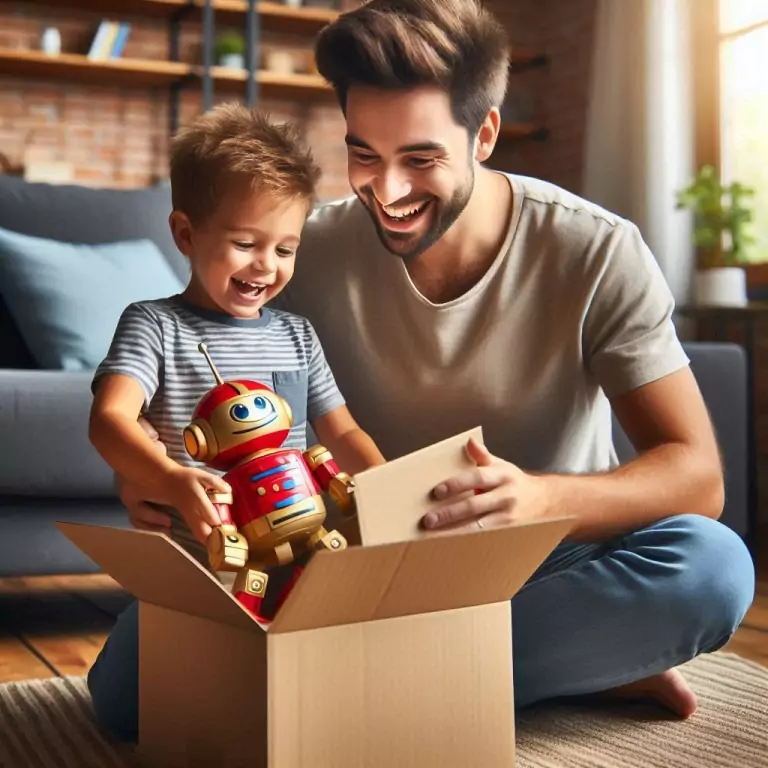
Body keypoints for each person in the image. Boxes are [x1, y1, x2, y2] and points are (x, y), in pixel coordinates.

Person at [96, 0, 754, 742]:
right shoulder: (294, 250)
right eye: (364, 154)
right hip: (343, 563)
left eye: (421, 159)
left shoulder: (595, 250)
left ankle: (331, 683)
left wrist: (537, 498)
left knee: (711, 569)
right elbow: (202, 389)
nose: (388, 192)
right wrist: (149, 475)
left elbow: (697, 477)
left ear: (485, 133)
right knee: (124, 690)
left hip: (539, 559)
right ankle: (548, 665)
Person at [86, 104, 385, 739]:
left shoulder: (299, 337)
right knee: (121, 712)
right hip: (199, 567)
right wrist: (170, 479)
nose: (265, 267)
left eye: (285, 249)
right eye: (245, 244)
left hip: (301, 558)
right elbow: (109, 420)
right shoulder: (154, 325)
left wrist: (389, 486)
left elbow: (344, 432)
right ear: (186, 234)